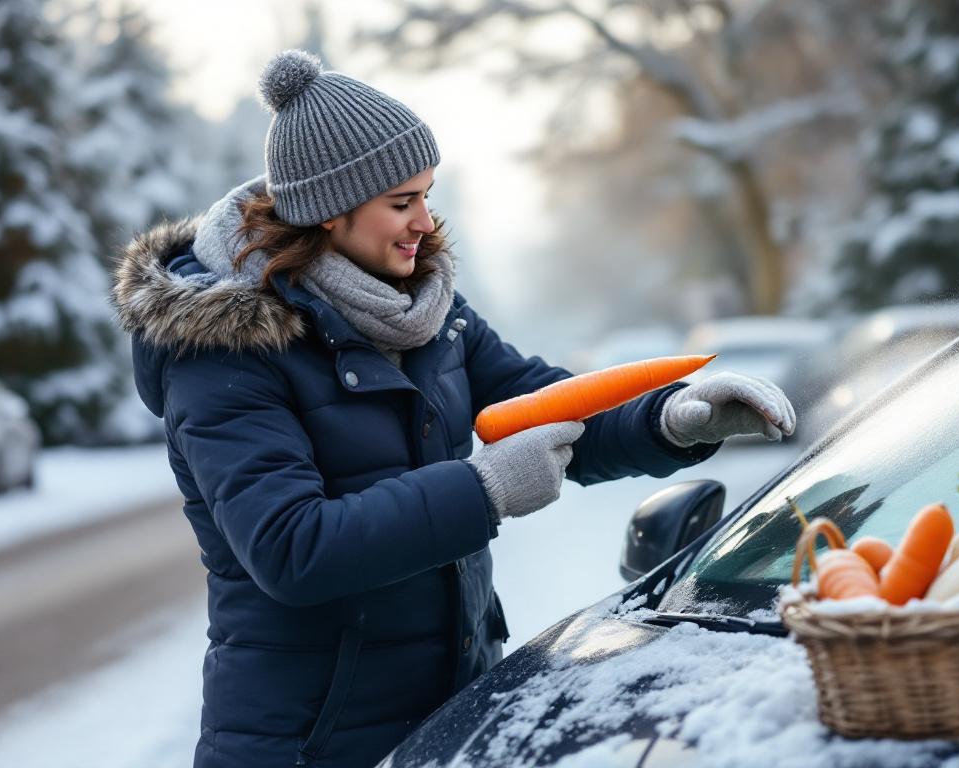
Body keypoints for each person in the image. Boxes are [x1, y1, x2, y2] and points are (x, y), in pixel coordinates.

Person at [112, 49, 795, 768]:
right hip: (307, 741)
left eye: (426, 195)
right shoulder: (228, 353)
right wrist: (485, 488)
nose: (423, 222)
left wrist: (671, 421)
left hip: (450, 712)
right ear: (328, 212)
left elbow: (544, 404)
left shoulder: (427, 312)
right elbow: (291, 548)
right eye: (401, 203)